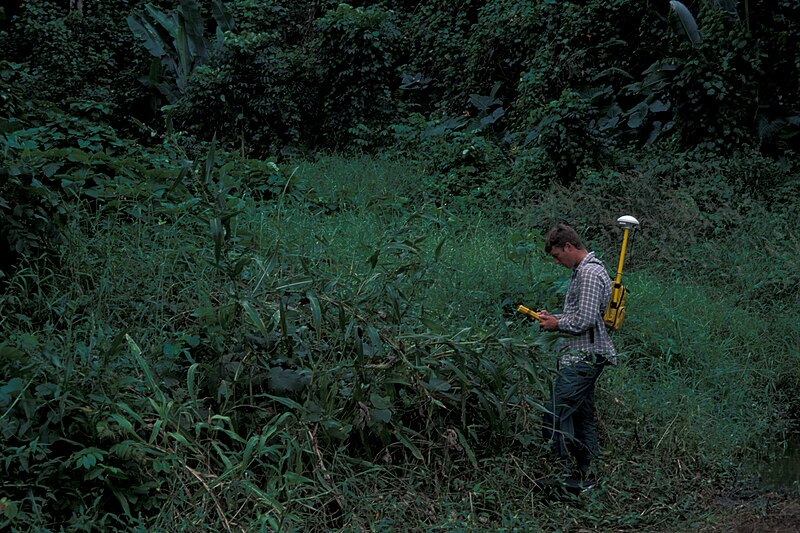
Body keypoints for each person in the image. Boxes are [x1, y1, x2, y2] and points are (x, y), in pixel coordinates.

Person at [536, 223, 616, 481]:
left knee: (554, 413)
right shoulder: (583, 272)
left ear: (568, 247)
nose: (557, 262)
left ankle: (560, 474)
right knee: (582, 417)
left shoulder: (589, 274)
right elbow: (579, 316)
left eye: (557, 256)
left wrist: (557, 324)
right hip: (582, 355)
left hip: (585, 357)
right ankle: (588, 475)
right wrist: (554, 318)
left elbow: (585, 320)